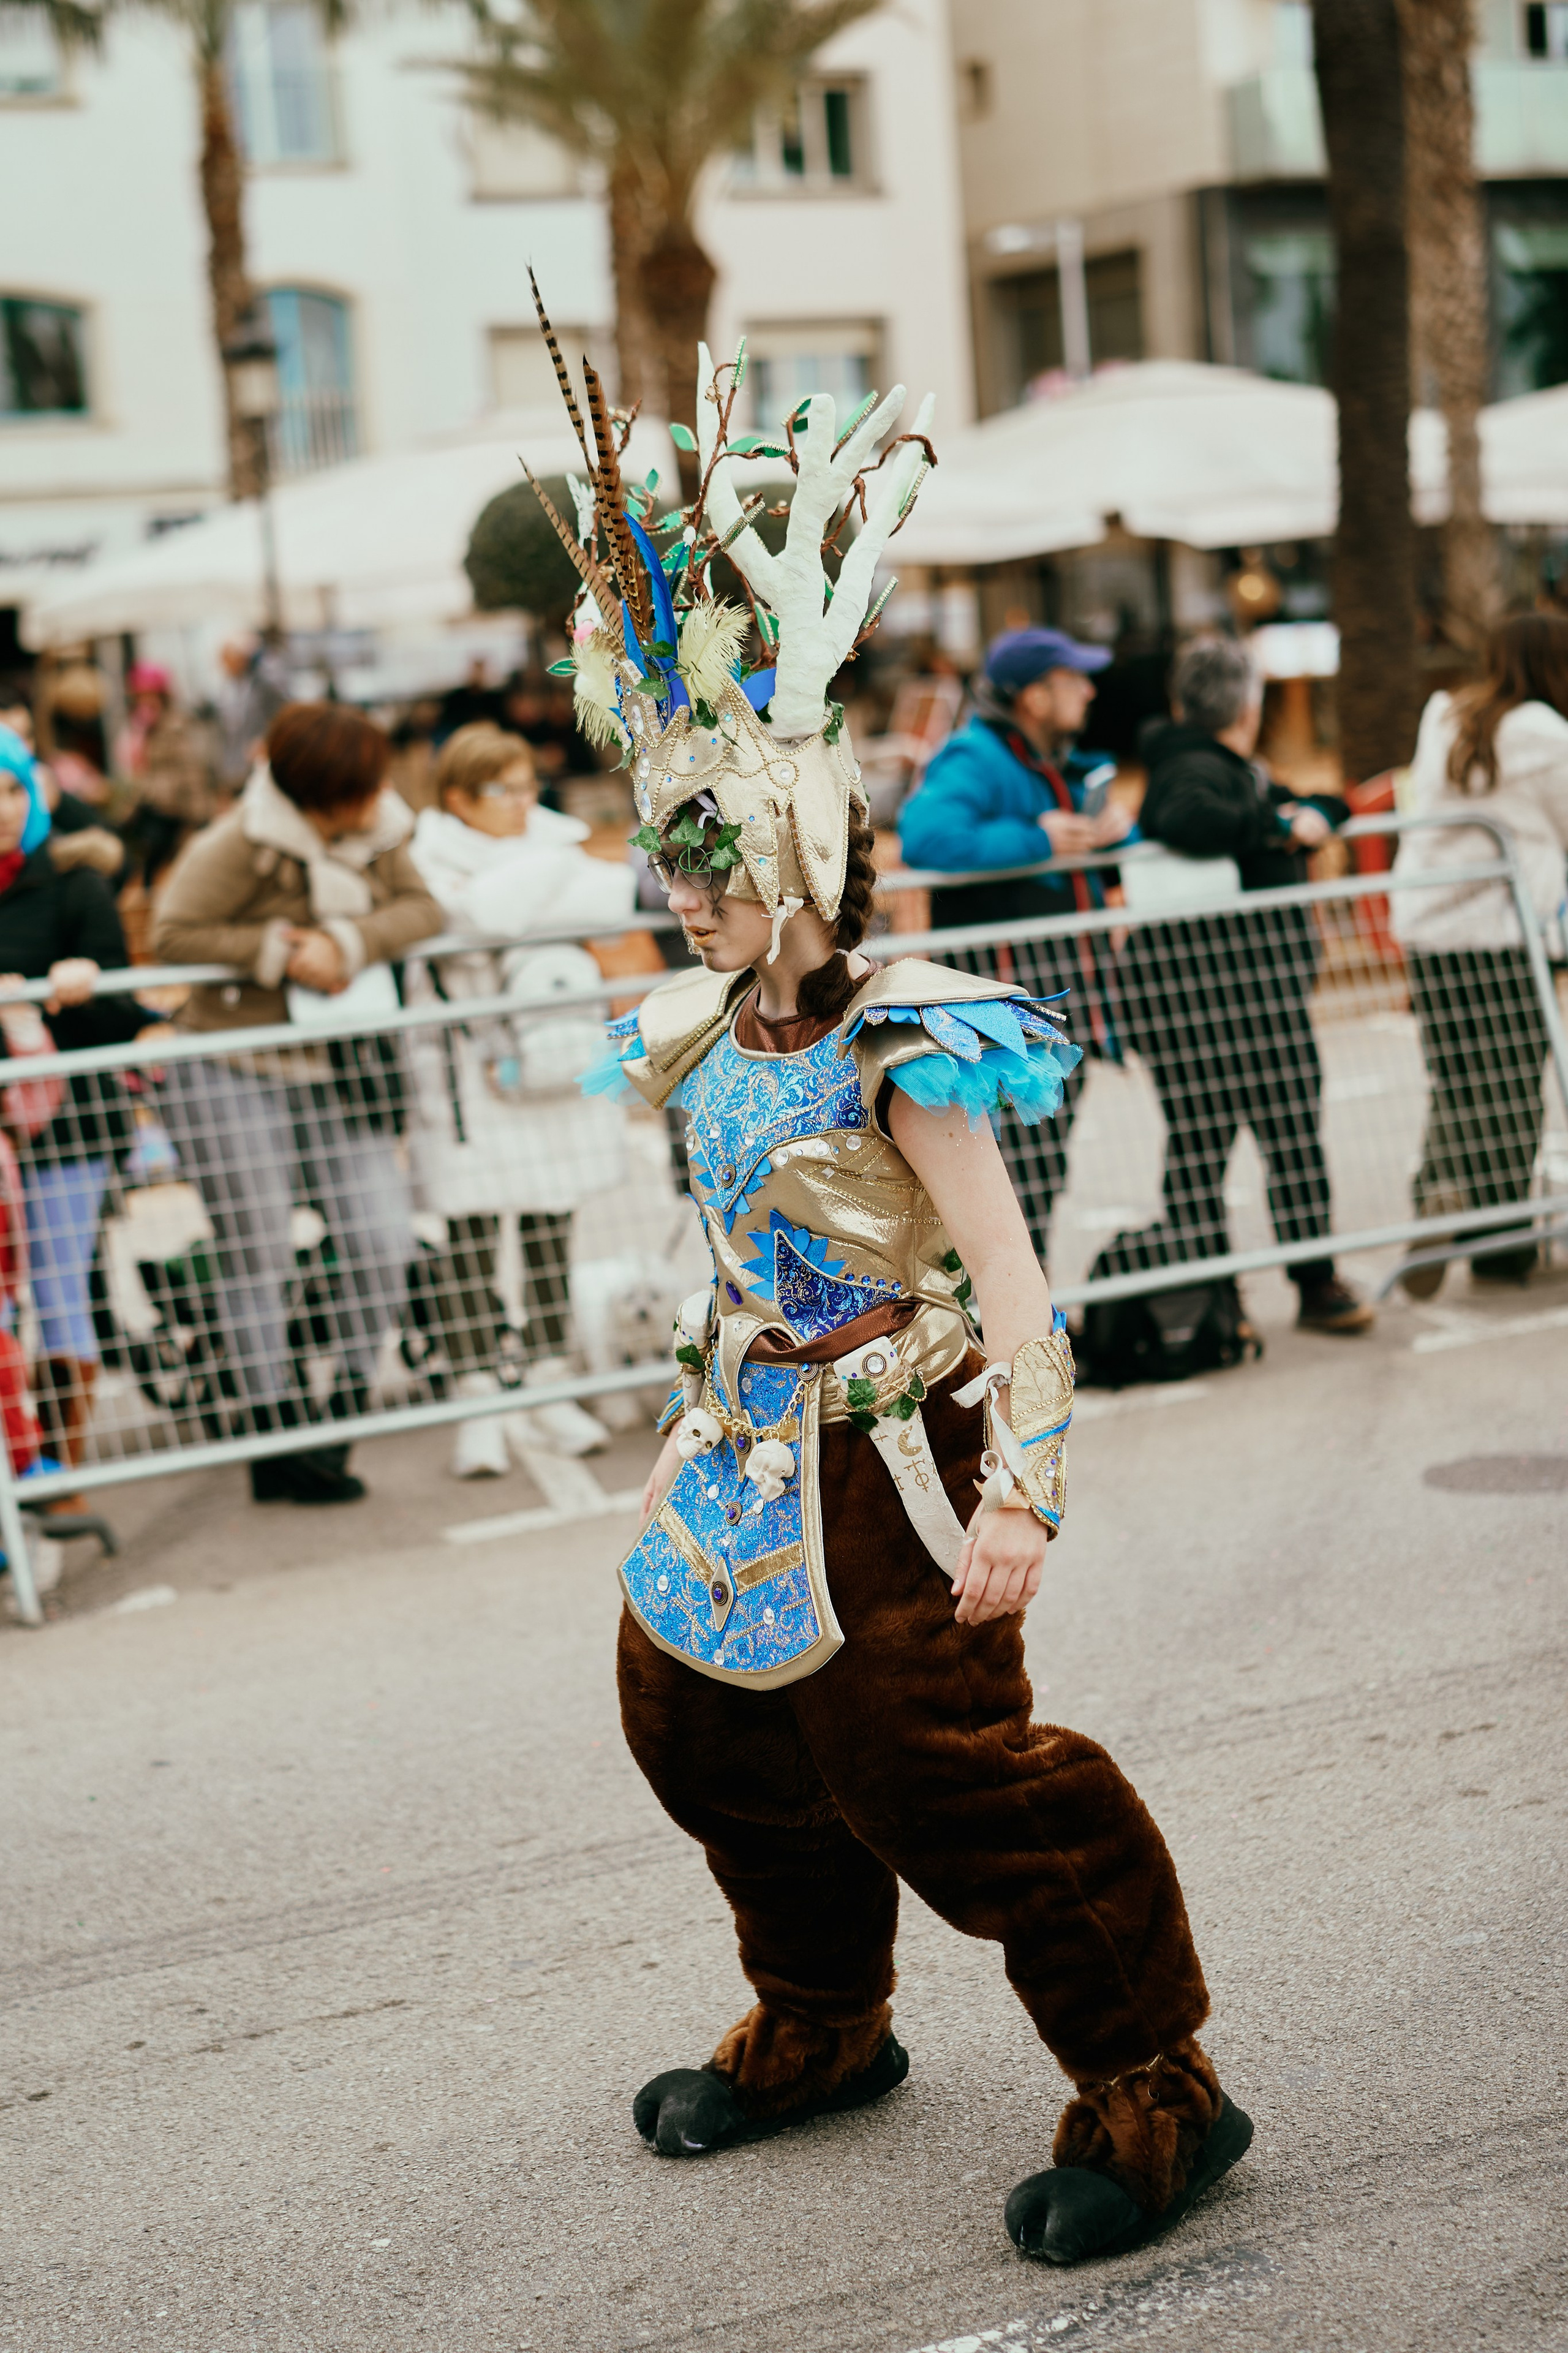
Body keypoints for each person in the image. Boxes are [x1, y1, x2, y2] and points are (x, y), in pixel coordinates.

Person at [556, 336, 1251, 2267]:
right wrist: (696, 1409)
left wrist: (1022, 1488)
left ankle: (1153, 2075)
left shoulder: (904, 1035)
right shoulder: (691, 1027)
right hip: (745, 1428)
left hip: (903, 1435)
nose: (678, 896)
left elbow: (1013, 1274)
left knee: (933, 1767)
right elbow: (725, 1246)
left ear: (793, 838)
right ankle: (822, 2014)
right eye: (664, 858)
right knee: (692, 1719)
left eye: (707, 859)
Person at [153, 702, 443, 1504]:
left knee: (381, 1236)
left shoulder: (383, 830)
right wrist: (278, 951)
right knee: (259, 1252)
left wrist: (346, 944)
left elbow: (424, 910)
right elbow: (174, 932)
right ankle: (274, 1428)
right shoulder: (239, 843)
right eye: (354, 787)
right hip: (234, 1065)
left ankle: (342, 1403)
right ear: (316, 793)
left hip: (340, 1068)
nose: (370, 796)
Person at [1118, 636, 1373, 1333]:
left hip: (1234, 997)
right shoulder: (1193, 769)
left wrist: (1309, 815)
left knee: (1226, 1148)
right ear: (1248, 706)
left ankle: (1239, 1297)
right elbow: (1185, 819)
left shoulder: (1227, 766)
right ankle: (1255, 1295)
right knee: (1250, 1146)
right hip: (1222, 999)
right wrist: (1278, 828)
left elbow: (1327, 799)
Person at [403, 720, 636, 1472]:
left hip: (547, 1063)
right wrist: (550, 868)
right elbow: (474, 920)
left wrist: (524, 883)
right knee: (470, 1236)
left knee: (548, 1224)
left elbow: (606, 906)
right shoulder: (427, 856)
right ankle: (481, 1396)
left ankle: (546, 1379)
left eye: (526, 785)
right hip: (469, 1078)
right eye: (501, 789)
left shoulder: (547, 843)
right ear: (457, 797)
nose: (520, 802)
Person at [899, 627, 1134, 1264]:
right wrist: (1037, 838)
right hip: (1001, 1022)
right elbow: (925, 836)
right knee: (1008, 1184)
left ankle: (1029, 1318)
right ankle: (1002, 1327)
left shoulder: (1052, 758)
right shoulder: (974, 757)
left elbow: (1084, 845)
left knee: (1040, 1176)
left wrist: (1114, 831)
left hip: (1047, 1008)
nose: (1088, 691)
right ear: (1034, 696)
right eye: (1073, 680)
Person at [0, 727, 157, 1508]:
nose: (0, 808)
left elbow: (124, 1016)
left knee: (60, 1292)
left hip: (69, 1132)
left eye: (9, 788)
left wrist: (80, 987)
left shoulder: (75, 883)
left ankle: (62, 1480)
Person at [1392, 611, 1568, 1291]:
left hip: (1429, 930)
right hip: (1504, 934)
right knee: (1511, 1086)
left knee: (1458, 1075)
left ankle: (1438, 1190)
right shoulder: (1544, 733)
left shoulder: (1444, 715)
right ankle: (1500, 1242)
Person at [116, 662, 217, 888]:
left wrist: (200, 815)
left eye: (150, 697)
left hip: (175, 807)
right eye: (140, 697)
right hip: (153, 803)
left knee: (167, 855)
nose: (145, 703)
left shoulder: (175, 726)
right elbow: (136, 770)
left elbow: (192, 771)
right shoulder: (140, 728)